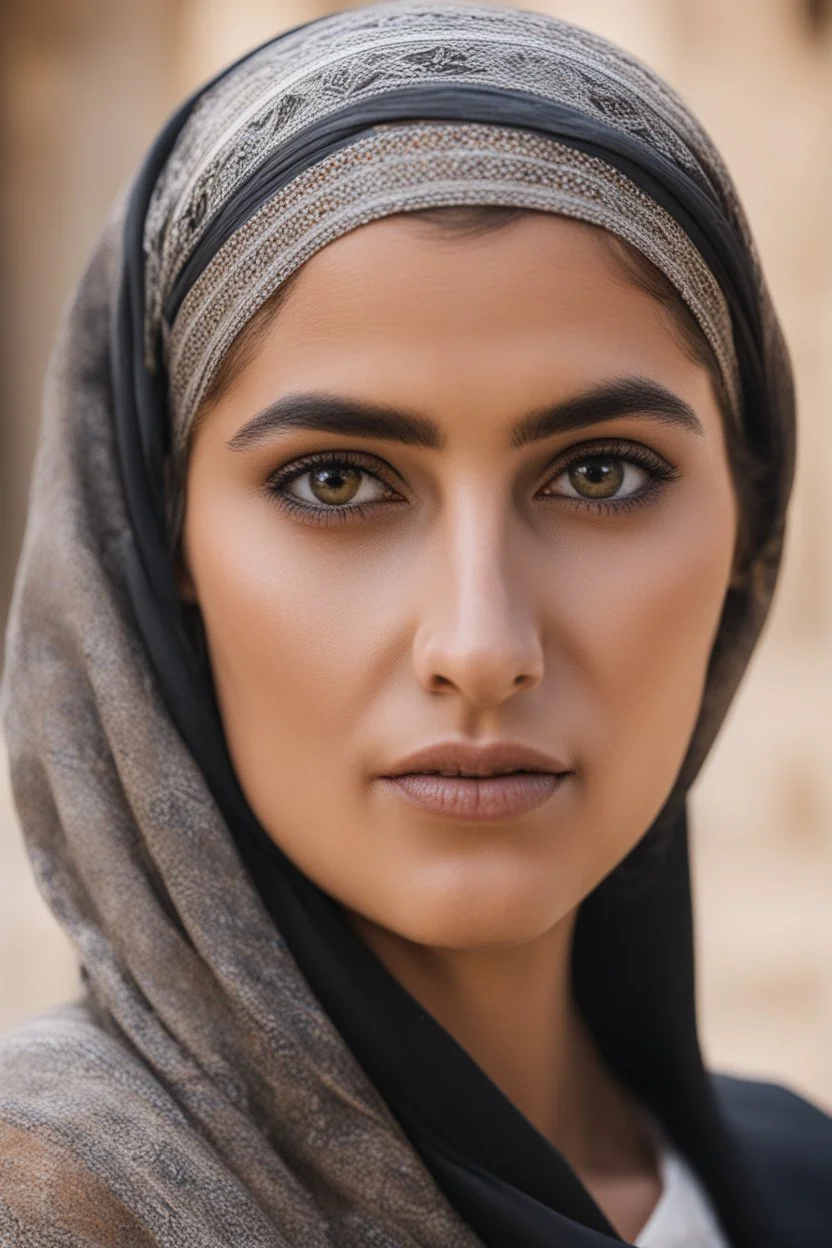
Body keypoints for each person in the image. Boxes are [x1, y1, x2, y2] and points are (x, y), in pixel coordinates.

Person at [0, 3, 829, 1245]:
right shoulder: (67, 1206)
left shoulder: (802, 1181)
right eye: (335, 481)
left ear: (745, 528)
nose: (482, 645)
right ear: (160, 545)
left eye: (598, 473)